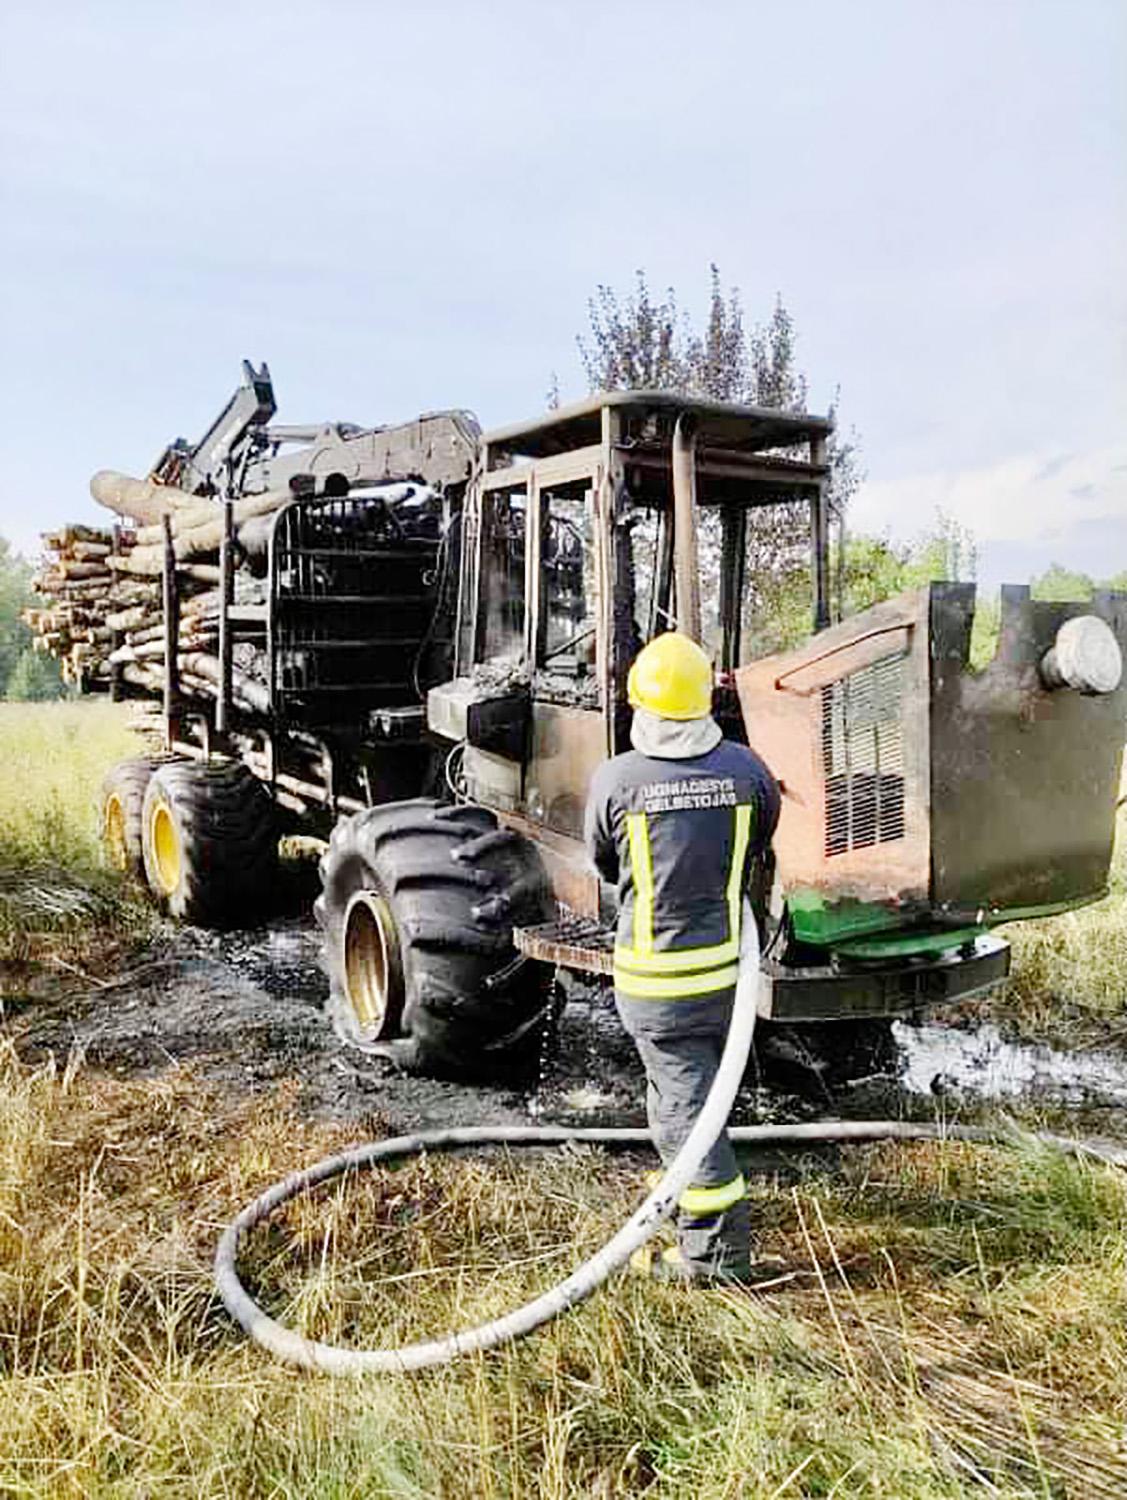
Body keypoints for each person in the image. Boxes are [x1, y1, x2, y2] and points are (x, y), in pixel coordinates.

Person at [584, 631, 780, 1283]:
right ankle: (685, 1178)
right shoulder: (746, 771)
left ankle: (715, 1257)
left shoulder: (616, 780)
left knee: (683, 1112)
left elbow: (603, 863)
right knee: (692, 1094)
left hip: (654, 981)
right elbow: (761, 840)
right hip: (727, 975)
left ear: (641, 703)